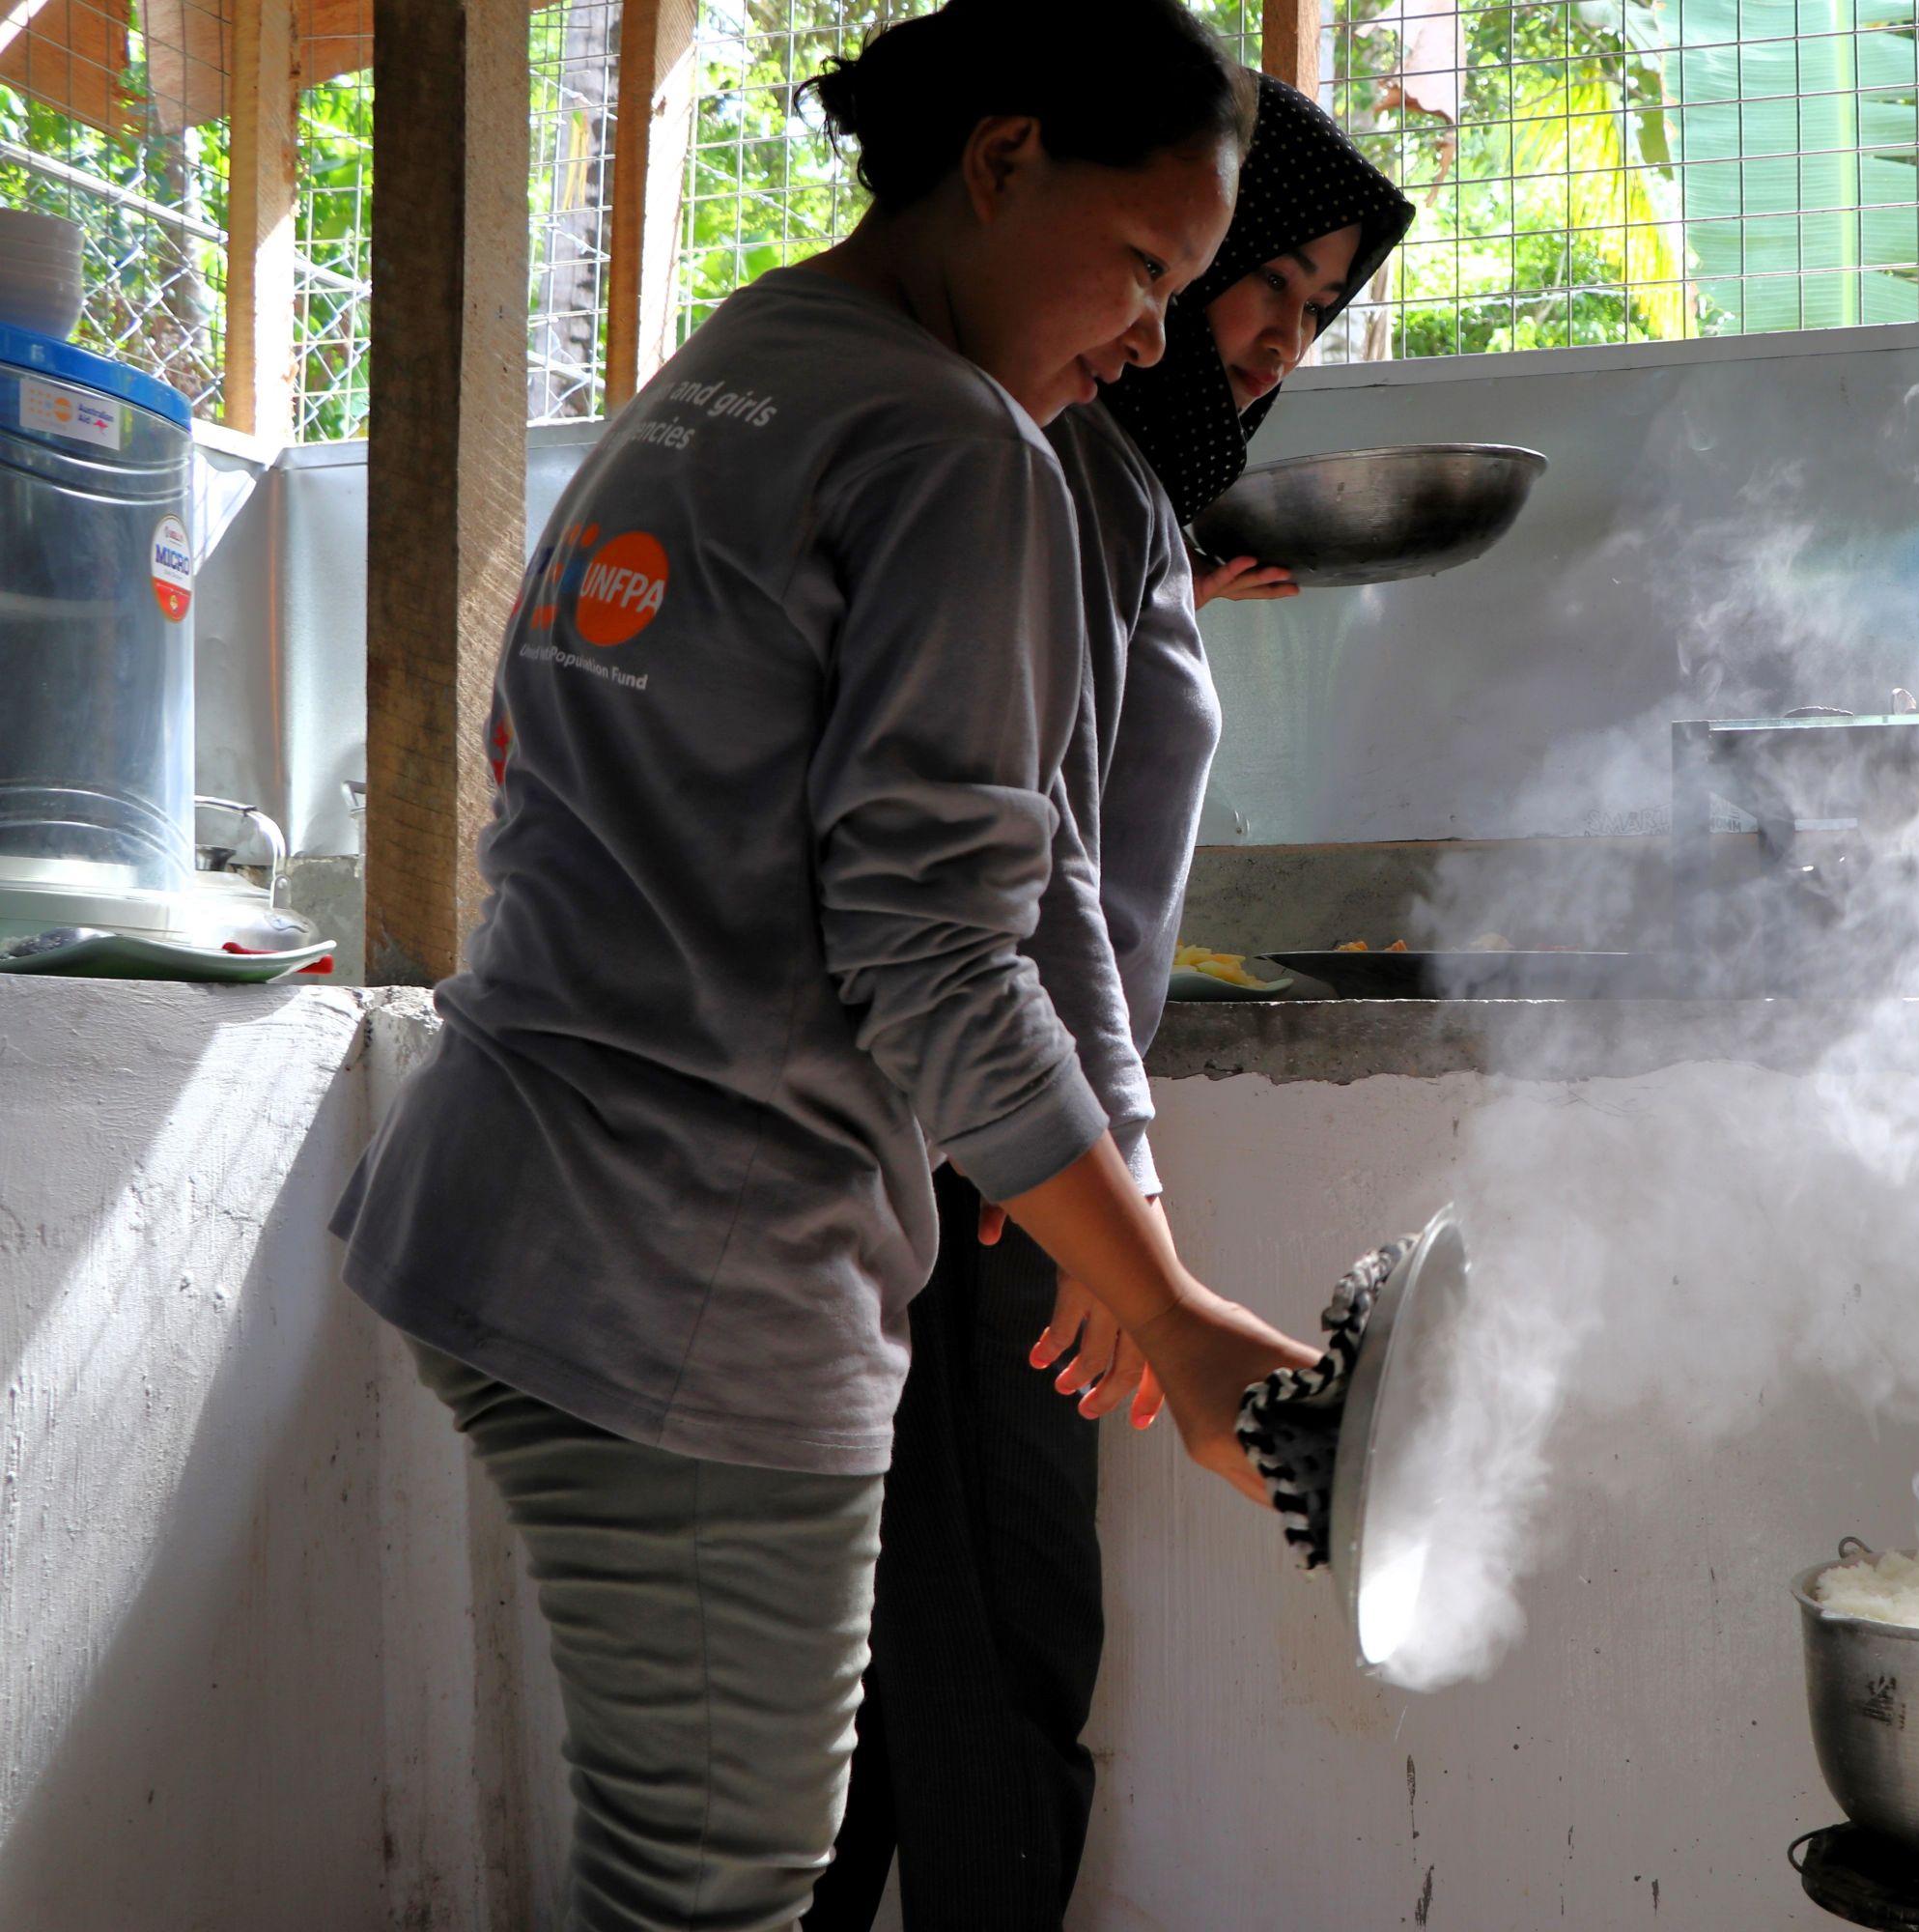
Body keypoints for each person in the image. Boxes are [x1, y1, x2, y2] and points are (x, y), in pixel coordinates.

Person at [327, 7, 1316, 1927]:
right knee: (716, 1896)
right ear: (1003, 153)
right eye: (1140, 270)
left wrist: (1120, 1222)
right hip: (698, 1280)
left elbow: (631, 795)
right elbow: (940, 949)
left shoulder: (738, 361)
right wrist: (1172, 1315)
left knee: (681, 1874)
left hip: (497, 1206)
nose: (1142, 344)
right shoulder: (961, 451)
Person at [804, 74, 1415, 1932]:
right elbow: (1031, 863)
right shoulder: (1055, 462)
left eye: (1314, 316)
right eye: (1263, 285)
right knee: (997, 1657)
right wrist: (1105, 1196)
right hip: (997, 1152)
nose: (1275, 341)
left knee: (912, 1680)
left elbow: (1053, 779)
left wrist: (1166, 612)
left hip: (1002, 1137)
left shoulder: (1111, 486)